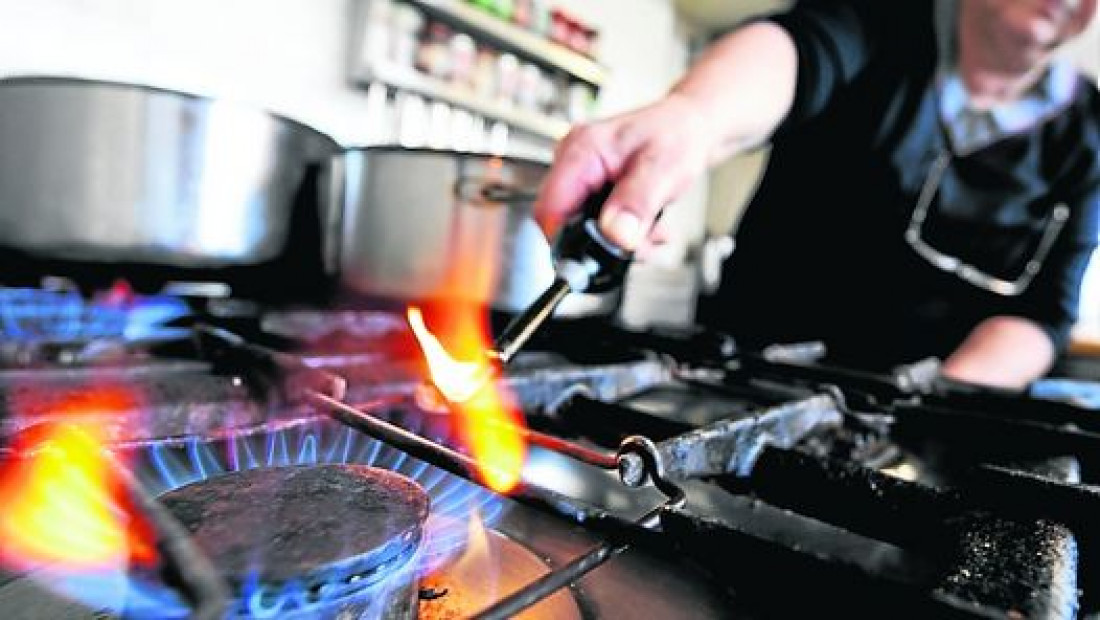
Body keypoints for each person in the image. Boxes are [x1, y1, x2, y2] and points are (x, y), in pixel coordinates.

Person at [534, 0, 1100, 390]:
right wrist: (692, 118)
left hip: (914, 421)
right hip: (745, 377)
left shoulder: (1090, 135)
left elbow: (1044, 313)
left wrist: (929, 403)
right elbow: (798, 52)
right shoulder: (884, 17)